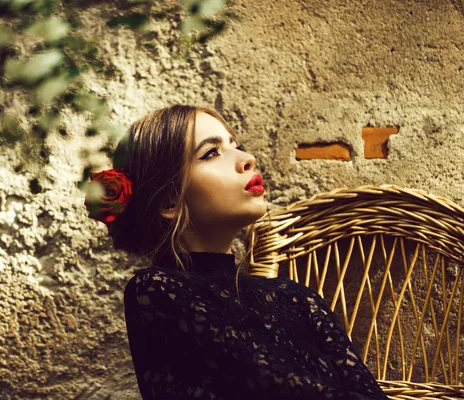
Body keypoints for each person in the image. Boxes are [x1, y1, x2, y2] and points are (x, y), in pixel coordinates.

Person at [83, 105, 388, 399]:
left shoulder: (297, 298)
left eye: (236, 145)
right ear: (170, 203)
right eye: (211, 152)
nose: (247, 158)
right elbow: (283, 389)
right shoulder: (157, 292)